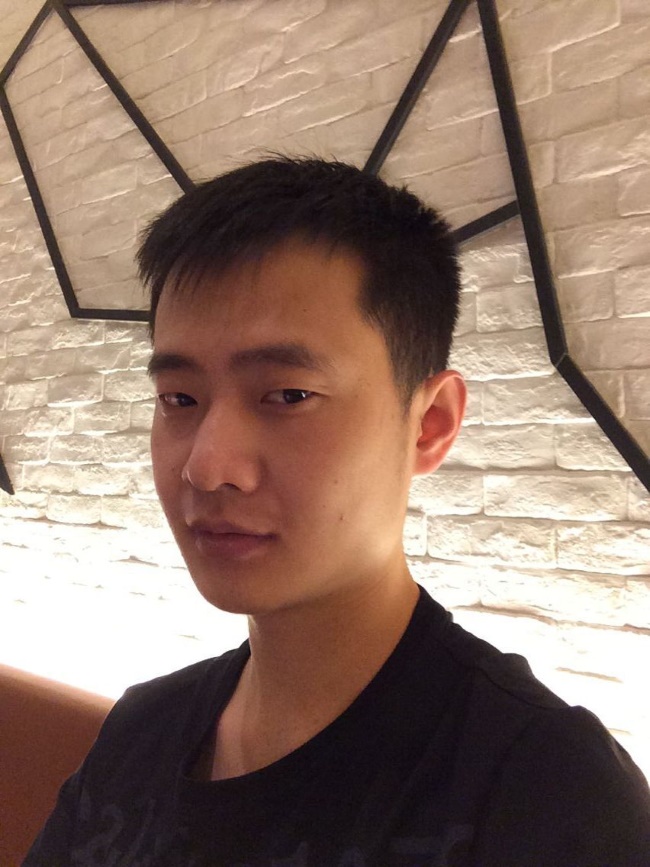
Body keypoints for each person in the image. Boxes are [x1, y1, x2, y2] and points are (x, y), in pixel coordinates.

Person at [24, 156, 650, 866]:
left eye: (289, 395)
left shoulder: (543, 792)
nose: (206, 465)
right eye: (179, 399)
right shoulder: (141, 731)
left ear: (430, 423)